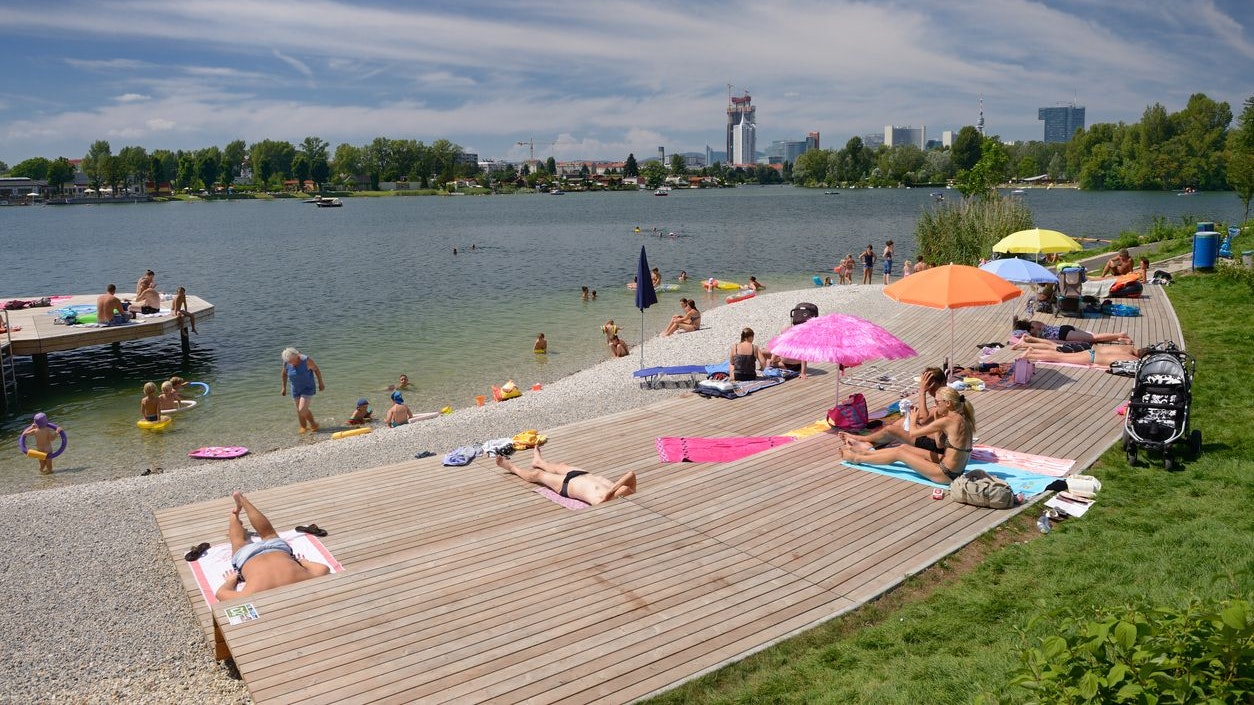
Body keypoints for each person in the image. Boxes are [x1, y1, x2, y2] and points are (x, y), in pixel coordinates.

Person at [839, 386, 976, 484]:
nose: (935, 405)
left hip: (946, 474)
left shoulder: (948, 421)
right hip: (955, 469)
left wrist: (913, 418)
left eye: (937, 402)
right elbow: (940, 444)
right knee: (903, 448)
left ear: (948, 403)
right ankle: (864, 453)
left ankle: (857, 458)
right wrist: (936, 419)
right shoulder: (963, 419)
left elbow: (913, 433)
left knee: (899, 454)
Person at [214, 491, 332, 600]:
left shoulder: (305, 578)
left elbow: (323, 569)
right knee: (238, 542)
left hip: (277, 549)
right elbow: (220, 594)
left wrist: (303, 562)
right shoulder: (252, 593)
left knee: (268, 533)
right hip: (248, 556)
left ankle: (243, 501)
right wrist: (231, 580)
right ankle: (235, 515)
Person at [495, 445, 636, 505]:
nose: (625, 488)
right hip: (583, 475)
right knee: (560, 466)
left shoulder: (602, 501)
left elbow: (604, 502)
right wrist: (613, 489)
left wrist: (612, 491)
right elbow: (631, 474)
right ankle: (539, 461)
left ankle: (511, 467)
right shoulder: (629, 491)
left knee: (538, 475)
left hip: (567, 485)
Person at [280, 347, 325, 433]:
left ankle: (314, 424)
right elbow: (284, 374)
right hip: (295, 388)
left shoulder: (306, 360)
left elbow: (316, 370)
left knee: (302, 409)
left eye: (292, 361)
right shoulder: (287, 362)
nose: (291, 363)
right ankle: (303, 427)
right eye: (289, 362)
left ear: (297, 356)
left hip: (307, 388)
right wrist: (284, 387)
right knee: (299, 410)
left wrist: (320, 383)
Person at [1010, 320, 1132, 345]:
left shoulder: (1034, 335)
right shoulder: (1035, 323)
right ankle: (1119, 339)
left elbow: (1053, 341)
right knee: (1092, 337)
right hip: (1064, 328)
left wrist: (1066, 343)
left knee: (1093, 338)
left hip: (1063, 335)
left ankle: (1119, 335)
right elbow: (1044, 326)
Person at [1020, 344, 1145, 367]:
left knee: (1058, 355)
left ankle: (1032, 353)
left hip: (1092, 352)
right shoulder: (1132, 359)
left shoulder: (1127, 350)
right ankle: (1031, 354)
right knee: (1059, 357)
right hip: (1091, 357)